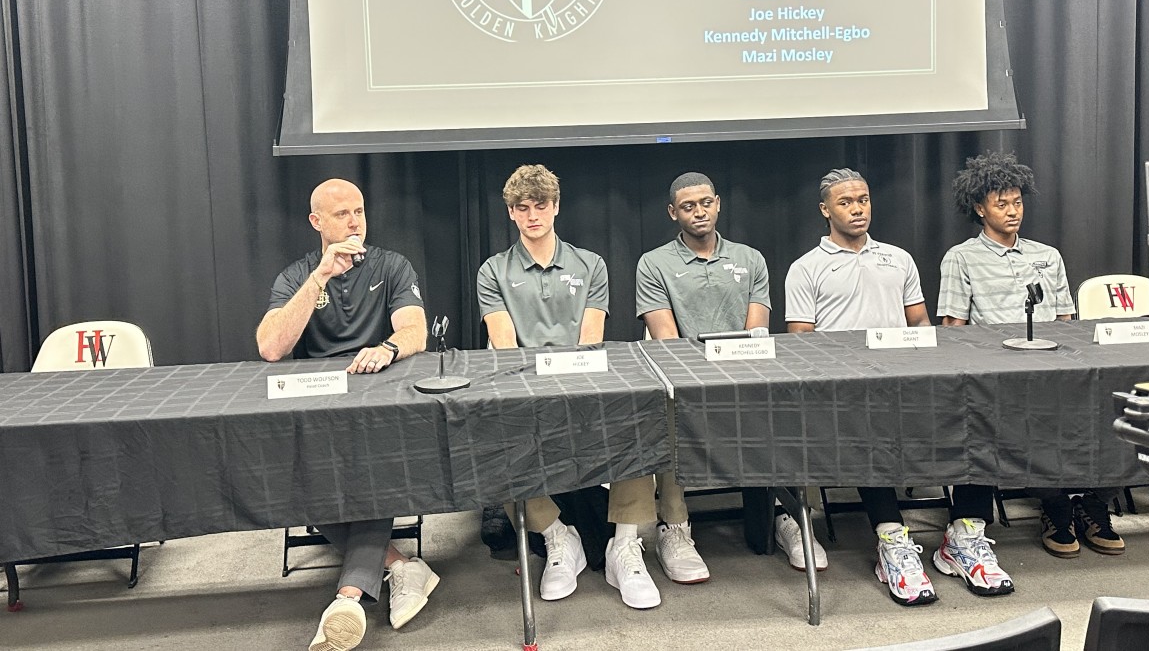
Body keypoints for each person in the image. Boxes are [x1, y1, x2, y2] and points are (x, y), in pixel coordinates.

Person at [785, 168, 1014, 606]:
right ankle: (892, 541)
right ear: (825, 210)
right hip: (847, 390)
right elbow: (803, 344)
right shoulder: (805, 268)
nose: (858, 209)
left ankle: (965, 537)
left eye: (864, 199)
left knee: (978, 416)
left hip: (908, 379)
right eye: (846, 202)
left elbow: (921, 324)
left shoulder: (898, 257)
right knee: (871, 431)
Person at [257, 178, 439, 651]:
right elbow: (271, 347)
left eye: (359, 211)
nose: (355, 221)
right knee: (300, 478)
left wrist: (387, 348)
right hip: (317, 404)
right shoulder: (297, 275)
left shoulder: (391, 265)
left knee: (371, 471)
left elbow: (415, 330)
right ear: (317, 222)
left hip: (377, 398)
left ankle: (349, 598)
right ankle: (402, 565)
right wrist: (319, 277)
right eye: (342, 214)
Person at [477, 164, 662, 609]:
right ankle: (559, 538)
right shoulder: (493, 271)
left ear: (556, 207)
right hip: (525, 388)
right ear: (511, 214)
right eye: (522, 208)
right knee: (484, 439)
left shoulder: (590, 264)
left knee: (636, 416)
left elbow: (591, 341)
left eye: (541, 205)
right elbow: (506, 349)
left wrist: (573, 383)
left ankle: (624, 545)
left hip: (583, 382)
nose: (532, 215)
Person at [636, 171, 828, 579]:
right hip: (684, 380)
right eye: (688, 206)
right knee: (666, 418)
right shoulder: (653, 264)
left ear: (718, 203)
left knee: (792, 412)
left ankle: (790, 516)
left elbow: (757, 332)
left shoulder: (749, 258)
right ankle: (674, 526)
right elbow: (667, 342)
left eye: (705, 202)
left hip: (746, 374)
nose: (699, 212)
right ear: (674, 213)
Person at [938, 150, 1125, 559]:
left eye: (1017, 202)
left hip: (1054, 364)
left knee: (1110, 410)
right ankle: (1055, 505)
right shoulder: (961, 258)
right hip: (997, 373)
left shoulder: (1047, 255)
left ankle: (1094, 503)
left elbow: (1066, 319)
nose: (1012, 212)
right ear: (979, 208)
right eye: (1001, 204)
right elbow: (953, 329)